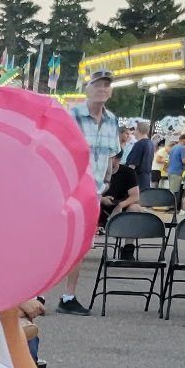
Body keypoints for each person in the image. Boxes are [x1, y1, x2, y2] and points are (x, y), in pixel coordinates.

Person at [58, 69, 120, 313]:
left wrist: (105, 181)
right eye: (97, 85)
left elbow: (113, 158)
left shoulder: (112, 120)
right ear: (87, 89)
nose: (102, 89)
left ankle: (68, 296)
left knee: (80, 246)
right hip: (68, 190)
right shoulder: (72, 116)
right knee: (56, 242)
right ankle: (38, 293)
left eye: (106, 85)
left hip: (92, 193)